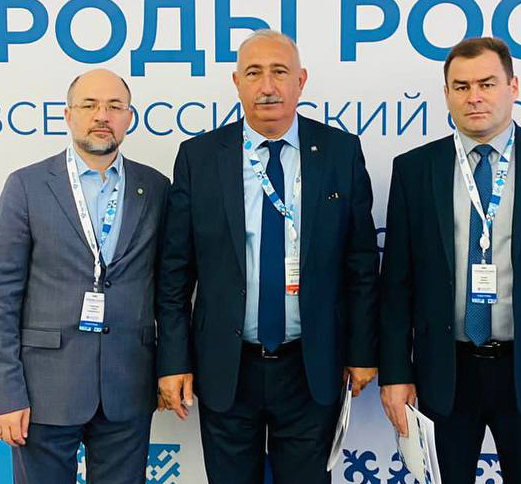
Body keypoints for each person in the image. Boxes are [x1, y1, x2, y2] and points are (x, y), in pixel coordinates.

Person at [378, 37, 521, 484]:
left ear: (513, 87)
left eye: (486, 84)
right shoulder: (415, 170)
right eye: (461, 86)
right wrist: (395, 372)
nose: (474, 97)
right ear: (447, 94)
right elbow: (396, 285)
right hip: (444, 374)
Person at [156, 30, 380, 484]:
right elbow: (175, 272)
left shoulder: (340, 152)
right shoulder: (199, 158)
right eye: (254, 73)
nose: (268, 86)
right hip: (226, 366)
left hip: (310, 366)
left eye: (280, 72)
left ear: (301, 80)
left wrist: (362, 351)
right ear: (236, 82)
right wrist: (174, 360)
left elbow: (360, 264)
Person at [0, 68, 169, 483]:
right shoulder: (27, 186)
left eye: (114, 106)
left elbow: (169, 290)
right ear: (68, 115)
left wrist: (170, 367)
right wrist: (6, 393)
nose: (102, 115)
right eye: (89, 105)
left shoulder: (156, 189)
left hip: (127, 387)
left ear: (129, 117)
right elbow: (0, 299)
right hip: (43, 391)